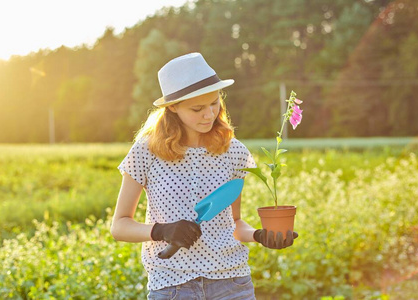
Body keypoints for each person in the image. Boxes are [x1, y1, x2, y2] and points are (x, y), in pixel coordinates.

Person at [111, 53, 297, 300]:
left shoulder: (233, 151)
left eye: (214, 103)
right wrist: (161, 231)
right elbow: (119, 226)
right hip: (172, 286)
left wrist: (259, 235)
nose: (209, 114)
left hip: (232, 285)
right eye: (197, 108)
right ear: (173, 107)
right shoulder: (146, 151)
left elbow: (235, 224)